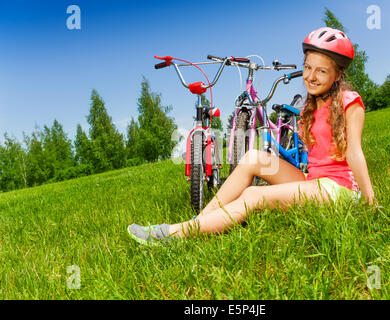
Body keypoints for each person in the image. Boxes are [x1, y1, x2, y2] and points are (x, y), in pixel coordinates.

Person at [127, 27, 376, 246]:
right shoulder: (313, 106)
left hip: (338, 190)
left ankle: (174, 235)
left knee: (253, 195)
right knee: (254, 157)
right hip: (314, 181)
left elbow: (354, 151)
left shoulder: (348, 101)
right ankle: (201, 221)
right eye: (308, 67)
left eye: (321, 71)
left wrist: (369, 200)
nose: (311, 76)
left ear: (338, 75)